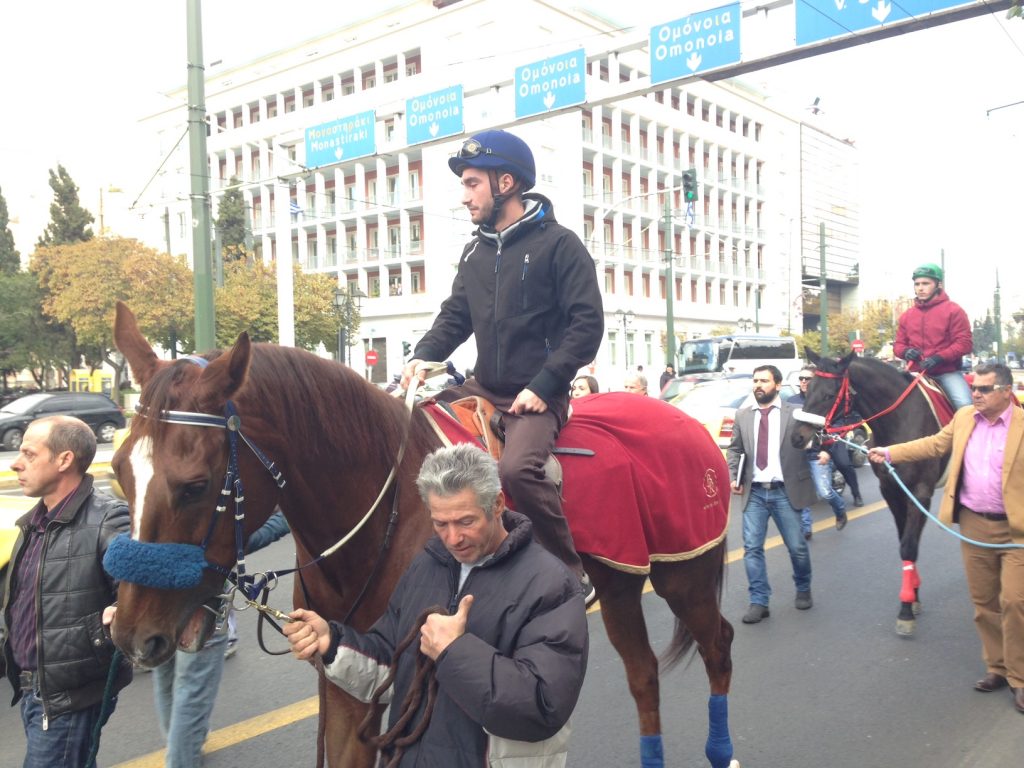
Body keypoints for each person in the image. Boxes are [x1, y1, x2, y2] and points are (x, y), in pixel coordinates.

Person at [282, 444, 589, 766]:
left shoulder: (550, 584)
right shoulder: (425, 566)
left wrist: (454, 651)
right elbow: (391, 665)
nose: (453, 538)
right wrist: (333, 643)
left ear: (497, 504)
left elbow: (541, 707)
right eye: (440, 523)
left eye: (465, 521)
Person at [401, 129, 603, 600]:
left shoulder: (561, 245)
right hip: (482, 386)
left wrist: (545, 383)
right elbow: (455, 317)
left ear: (505, 183)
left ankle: (572, 574)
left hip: (537, 394)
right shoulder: (474, 251)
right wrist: (421, 357)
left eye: (472, 183)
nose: (465, 195)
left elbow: (586, 325)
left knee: (515, 471)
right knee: (410, 428)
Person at [868, 363, 1024, 714]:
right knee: (984, 604)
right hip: (973, 524)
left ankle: (1019, 677)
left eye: (984, 389)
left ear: (1005, 391)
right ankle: (996, 668)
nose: (976, 395)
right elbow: (935, 444)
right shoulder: (966, 417)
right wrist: (891, 452)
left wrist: (939, 355)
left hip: (1016, 530)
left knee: (1015, 602)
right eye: (975, 388)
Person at [1, 416, 132, 767]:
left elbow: (139, 590)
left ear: (64, 460)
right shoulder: (33, 522)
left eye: (29, 453)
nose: (16, 462)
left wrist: (124, 608)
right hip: (32, 689)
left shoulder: (108, 518)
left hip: (69, 697)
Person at [154, 509, 292, 767]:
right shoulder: (212, 501)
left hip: (157, 602)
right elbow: (247, 539)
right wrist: (288, 515)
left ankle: (179, 741)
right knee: (192, 690)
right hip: (201, 608)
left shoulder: (157, 498)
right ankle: (182, 754)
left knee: (166, 677)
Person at [727, 365, 817, 624]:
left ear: (777, 385)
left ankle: (803, 587)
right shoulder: (743, 415)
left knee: (797, 547)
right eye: (755, 380)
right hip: (754, 492)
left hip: (784, 491)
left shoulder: (795, 413)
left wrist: (818, 448)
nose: (758, 385)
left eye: (764, 381)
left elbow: (811, 441)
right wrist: (733, 475)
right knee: (752, 548)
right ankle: (759, 601)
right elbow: (734, 449)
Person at [894, 263, 973, 410]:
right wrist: (905, 352)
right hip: (915, 373)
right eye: (917, 284)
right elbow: (898, 345)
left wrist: (939, 358)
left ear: (938, 285)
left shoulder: (954, 310)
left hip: (946, 373)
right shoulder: (907, 316)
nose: (920, 288)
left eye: (926, 283)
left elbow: (964, 343)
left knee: (965, 405)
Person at [788, 365, 849, 538]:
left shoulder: (825, 401)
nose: (803, 382)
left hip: (817, 454)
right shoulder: (791, 401)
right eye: (801, 378)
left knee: (825, 492)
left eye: (808, 378)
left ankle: (840, 509)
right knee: (802, 492)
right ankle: (806, 529)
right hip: (797, 455)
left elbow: (836, 428)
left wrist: (826, 450)